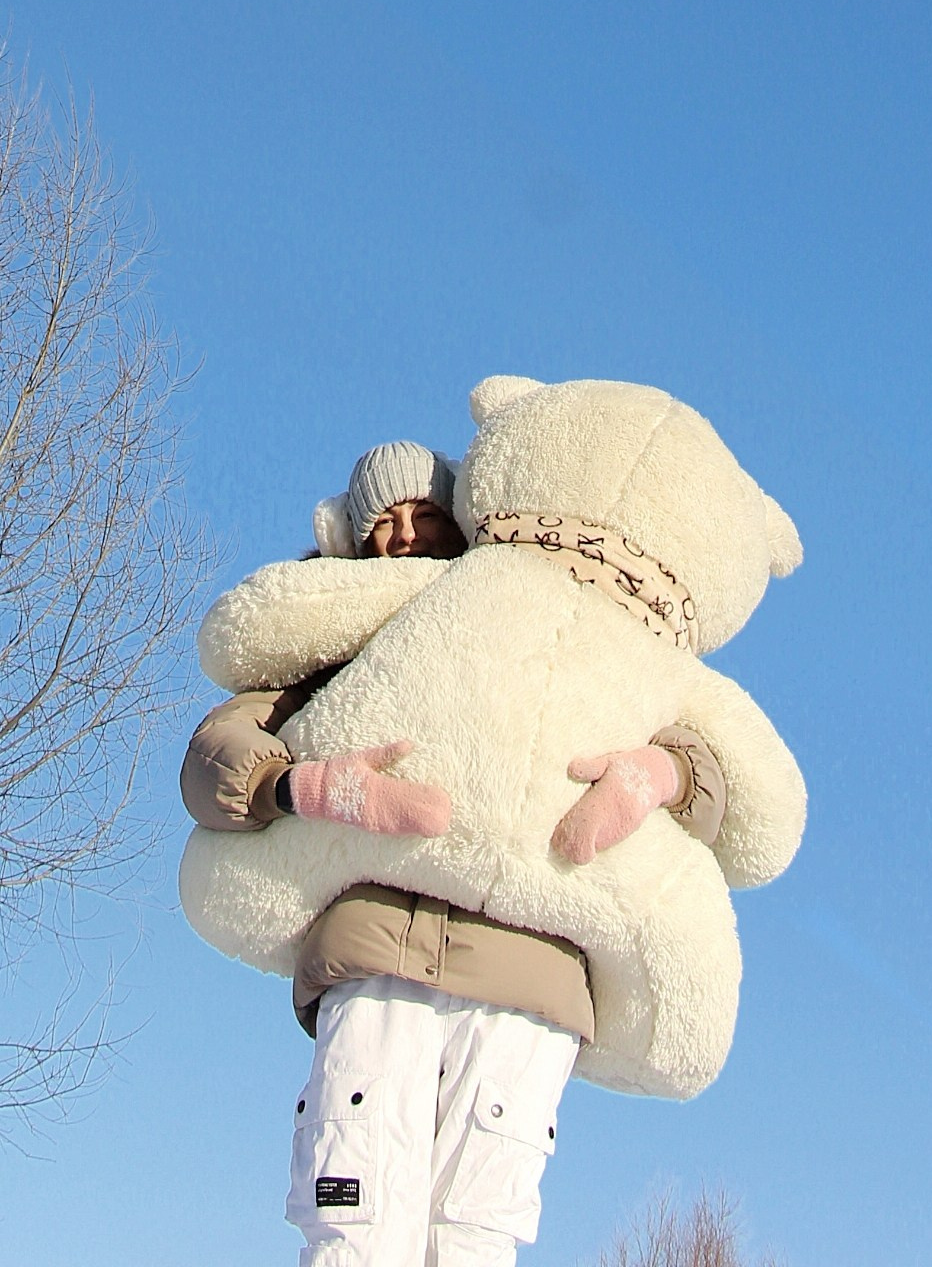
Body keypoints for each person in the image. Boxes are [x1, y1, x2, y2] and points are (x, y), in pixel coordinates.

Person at [180, 439, 726, 1266]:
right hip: (376, 955)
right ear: (351, 544)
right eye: (382, 526)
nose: (404, 537)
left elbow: (698, 749)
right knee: (353, 1214)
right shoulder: (339, 652)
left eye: (425, 514)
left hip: (528, 969)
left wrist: (666, 770)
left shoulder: (563, 624)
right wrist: (299, 787)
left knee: (474, 1230)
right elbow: (212, 758)